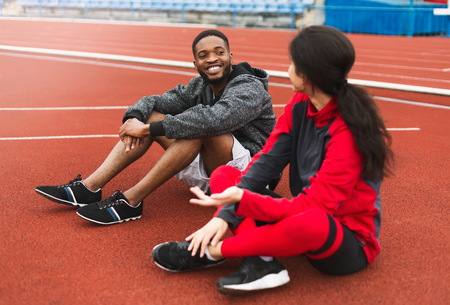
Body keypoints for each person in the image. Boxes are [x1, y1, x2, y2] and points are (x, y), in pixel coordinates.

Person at [151, 25, 394, 295]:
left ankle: (212, 252)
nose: (287, 68)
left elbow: (314, 207)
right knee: (226, 175)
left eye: (292, 63)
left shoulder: (347, 131)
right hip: (301, 213)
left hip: (343, 242)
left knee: (312, 220)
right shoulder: (300, 104)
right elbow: (265, 163)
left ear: (309, 72)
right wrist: (224, 214)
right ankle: (261, 262)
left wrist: (236, 211)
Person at [35, 29, 276, 225]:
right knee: (151, 116)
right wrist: (134, 120)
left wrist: (148, 131)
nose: (211, 59)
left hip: (250, 175)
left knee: (197, 126)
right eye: (203, 55)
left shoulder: (249, 87)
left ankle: (131, 201)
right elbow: (155, 101)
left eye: (219, 52)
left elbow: (215, 120)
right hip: (213, 169)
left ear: (231, 57)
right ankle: (89, 188)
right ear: (195, 63)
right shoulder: (199, 86)